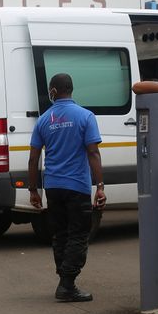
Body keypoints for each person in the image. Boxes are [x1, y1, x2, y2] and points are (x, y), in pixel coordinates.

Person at [28, 73, 106, 302]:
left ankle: (65, 279)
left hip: (53, 186)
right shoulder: (86, 117)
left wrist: (34, 190)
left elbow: (33, 159)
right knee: (79, 234)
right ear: (71, 89)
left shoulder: (43, 120)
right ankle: (67, 284)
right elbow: (93, 152)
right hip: (77, 187)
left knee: (60, 234)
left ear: (53, 91)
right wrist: (100, 186)